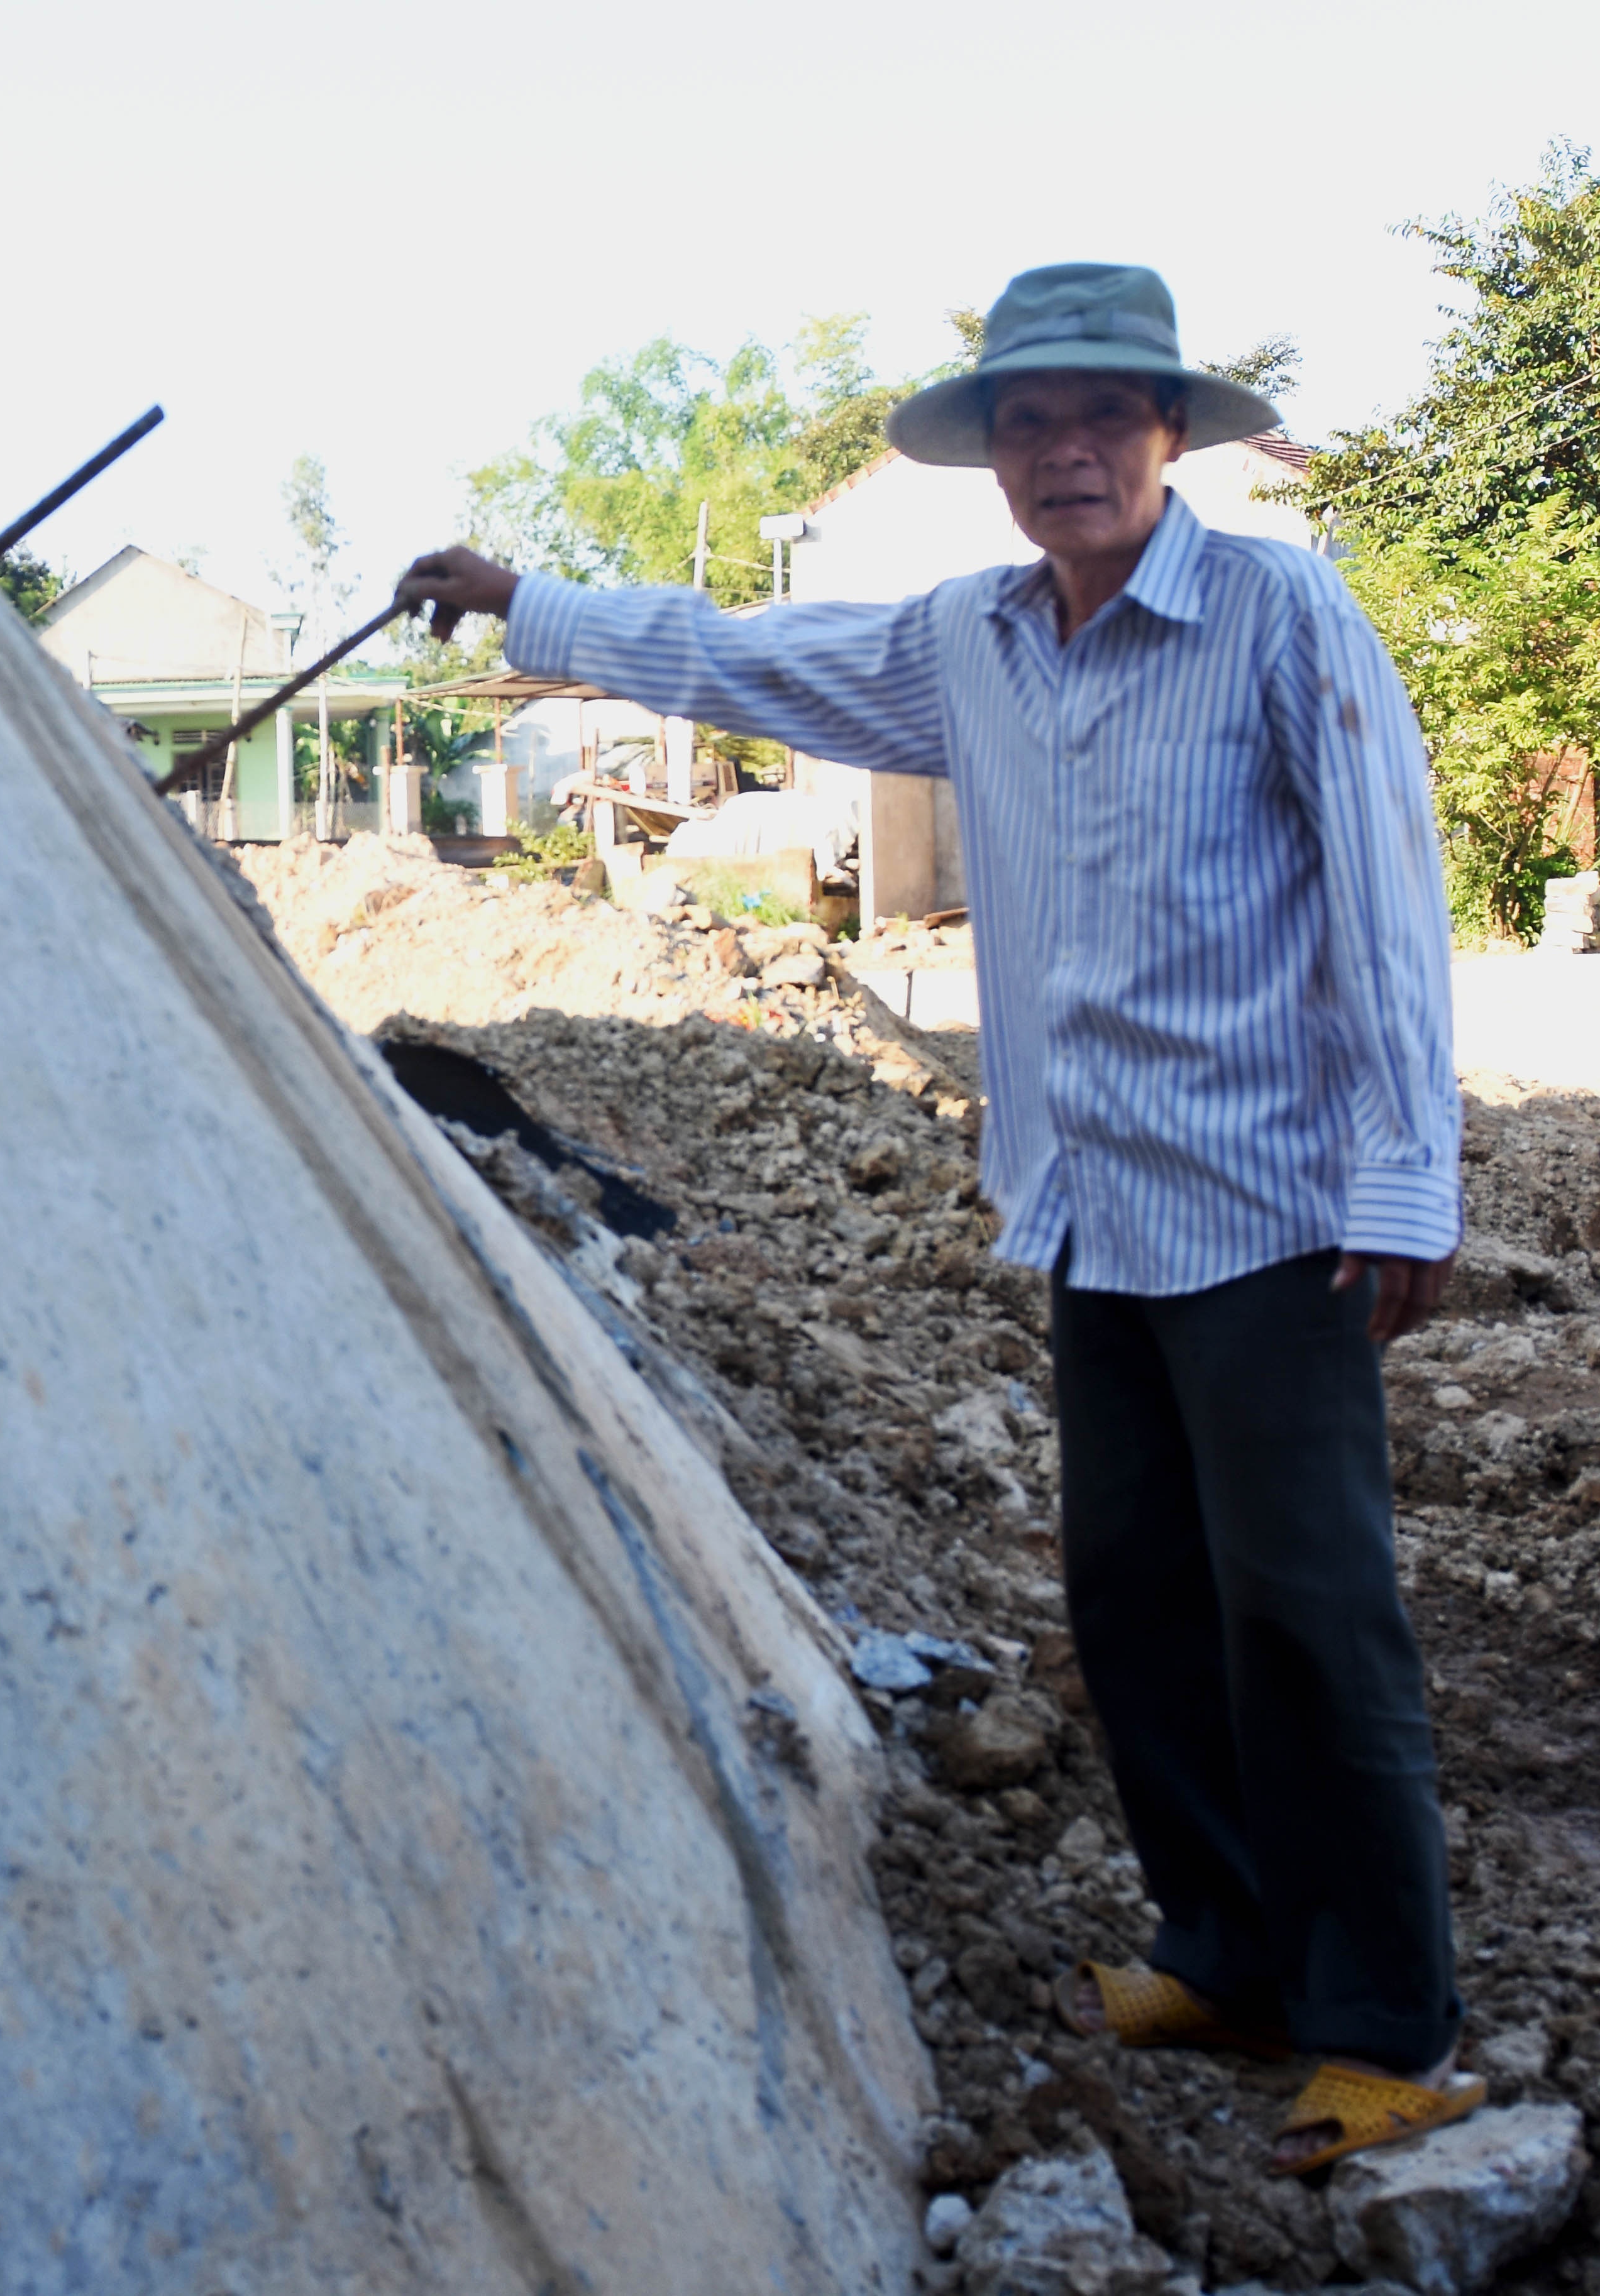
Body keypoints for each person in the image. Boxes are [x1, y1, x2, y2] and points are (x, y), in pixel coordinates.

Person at [396, 263, 1474, 2176]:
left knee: (1307, 1617)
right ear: (994, 461)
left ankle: (1385, 2020)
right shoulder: (972, 640)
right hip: (1087, 1208)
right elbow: (747, 657)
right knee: (1134, 1607)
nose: (1065, 454)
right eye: (1029, 427)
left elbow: (1389, 895)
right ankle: (1223, 1953)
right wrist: (527, 602)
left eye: (1101, 421)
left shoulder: (1274, 611)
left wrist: (1408, 1176)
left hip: (1273, 1214)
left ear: (1164, 438)